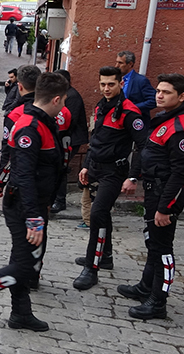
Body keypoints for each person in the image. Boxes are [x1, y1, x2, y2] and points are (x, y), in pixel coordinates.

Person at [0, 72, 69, 332]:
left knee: (23, 261)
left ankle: (21, 313)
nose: (65, 105)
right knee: (26, 265)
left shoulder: (43, 121)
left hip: (33, 203)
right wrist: (34, 217)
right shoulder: (30, 128)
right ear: (56, 99)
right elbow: (23, 175)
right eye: (64, 100)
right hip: (24, 206)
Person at [73, 66, 148, 291]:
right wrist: (86, 166)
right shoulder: (100, 106)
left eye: (111, 84)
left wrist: (133, 177)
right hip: (96, 167)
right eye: (103, 84)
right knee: (101, 213)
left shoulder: (129, 111)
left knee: (97, 214)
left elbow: (143, 145)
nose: (106, 88)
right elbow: (95, 138)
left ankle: (91, 268)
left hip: (115, 172)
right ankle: (105, 256)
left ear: (121, 84)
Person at [117, 73, 184, 320]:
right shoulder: (164, 119)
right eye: (158, 90)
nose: (159, 95)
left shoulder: (179, 128)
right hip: (153, 190)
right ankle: (146, 287)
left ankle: (158, 302)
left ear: (181, 96)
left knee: (163, 248)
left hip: (165, 195)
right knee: (152, 244)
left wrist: (166, 207)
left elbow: (180, 174)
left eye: (166, 92)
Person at [0, 65, 41, 193]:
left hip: (19, 179)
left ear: (20, 86)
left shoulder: (15, 115)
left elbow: (7, 151)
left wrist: (0, 181)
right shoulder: (50, 111)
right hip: (44, 179)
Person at [51, 69, 89, 213]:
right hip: (64, 138)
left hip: (71, 140)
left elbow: (69, 122)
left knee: (60, 168)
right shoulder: (63, 95)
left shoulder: (72, 97)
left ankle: (60, 201)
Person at [116, 51, 157, 125]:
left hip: (136, 122)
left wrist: (132, 108)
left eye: (120, 63)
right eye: (117, 62)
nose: (116, 66)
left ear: (130, 64)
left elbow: (153, 100)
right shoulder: (116, 80)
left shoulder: (140, 80)